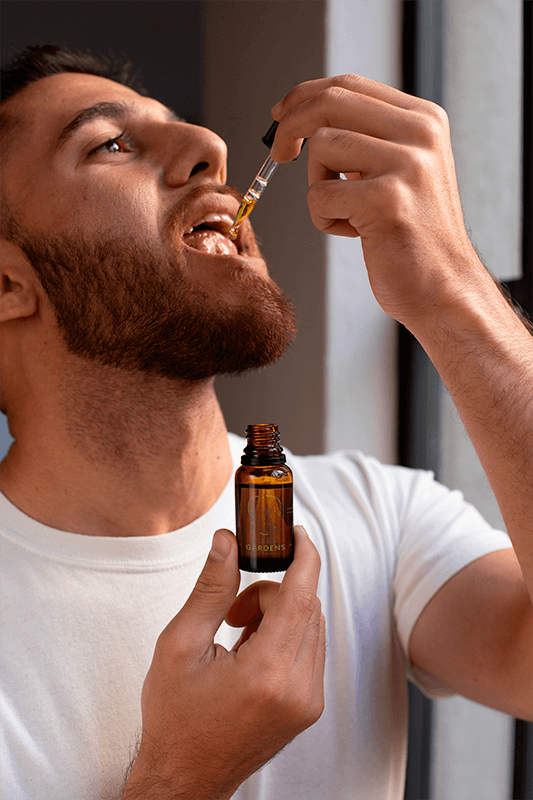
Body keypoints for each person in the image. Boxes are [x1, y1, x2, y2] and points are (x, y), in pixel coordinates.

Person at [0, 45, 531, 800]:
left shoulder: (379, 518)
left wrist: (452, 291)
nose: (209, 148)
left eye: (186, 127)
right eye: (109, 144)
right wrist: (183, 779)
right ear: (6, 282)